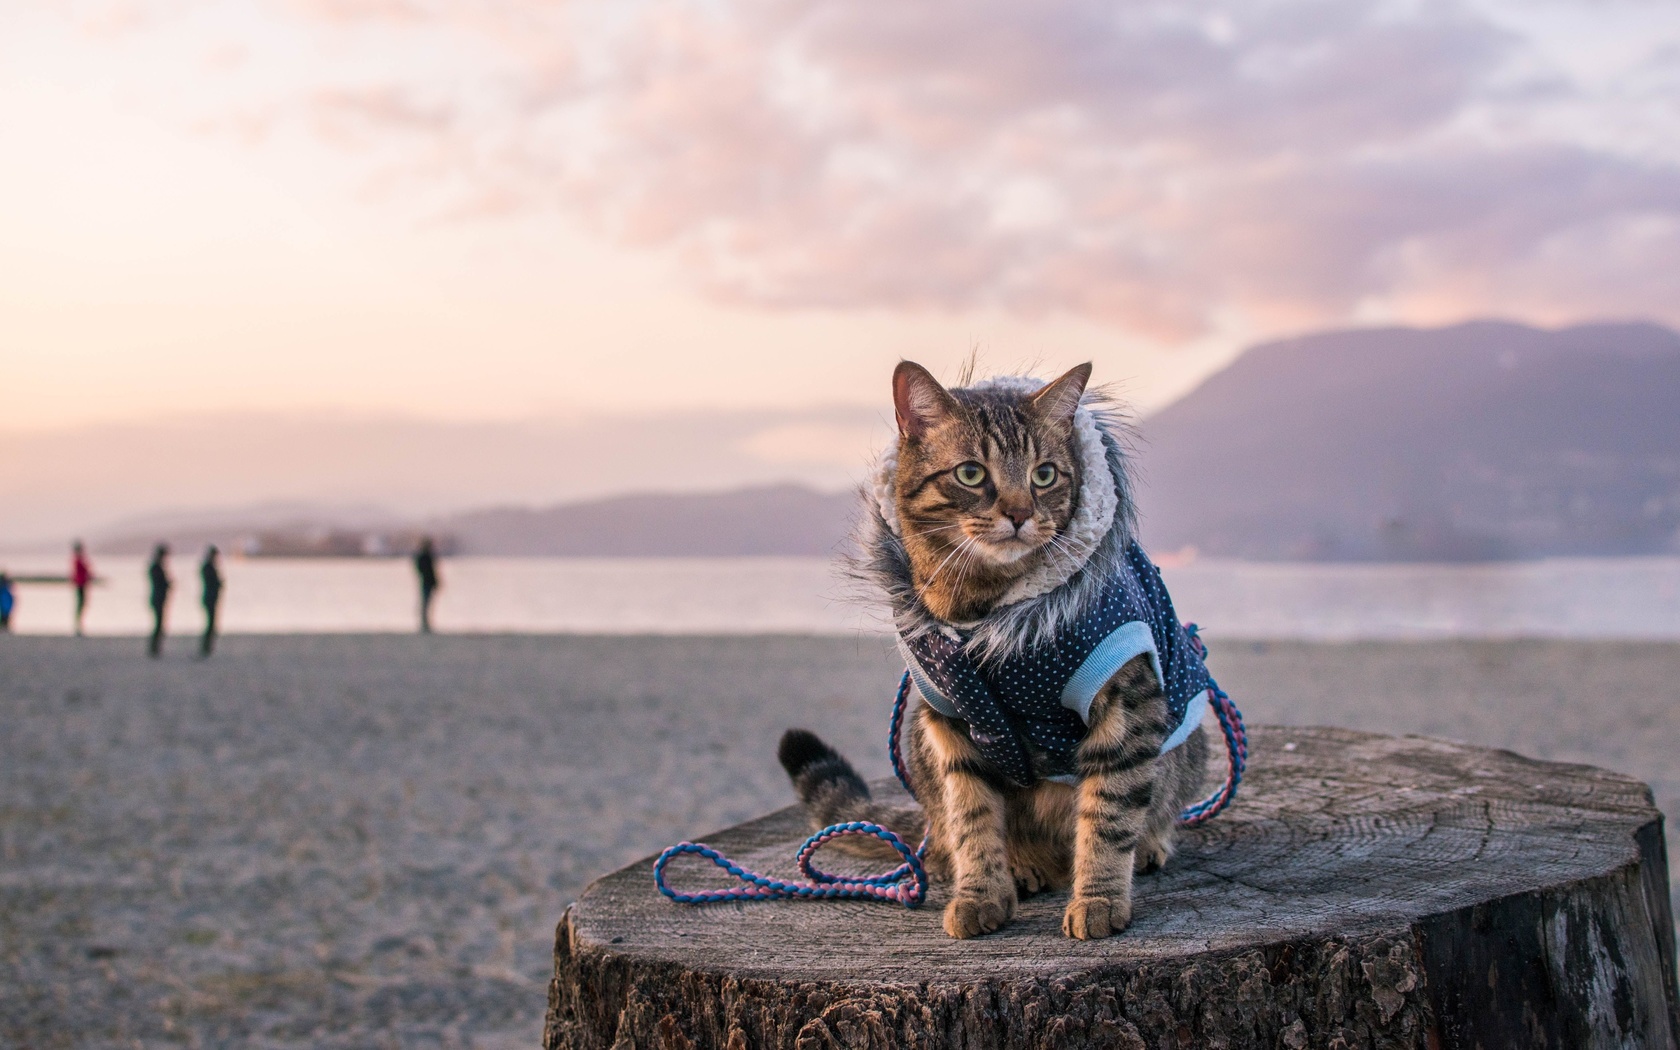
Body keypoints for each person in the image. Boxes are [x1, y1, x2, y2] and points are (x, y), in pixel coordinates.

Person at [146, 544, 171, 657]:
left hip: (159, 598)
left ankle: (155, 648)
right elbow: (159, 583)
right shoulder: (156, 567)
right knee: (158, 624)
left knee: (159, 624)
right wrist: (167, 584)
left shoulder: (157, 566)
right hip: (158, 599)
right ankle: (154, 649)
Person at [199, 545, 223, 657]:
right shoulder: (208, 567)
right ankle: (206, 648)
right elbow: (213, 582)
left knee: (211, 624)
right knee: (210, 624)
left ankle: (207, 647)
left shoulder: (209, 567)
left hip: (211, 598)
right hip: (210, 598)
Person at [414, 536, 439, 634]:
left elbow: (430, 571)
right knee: (426, 603)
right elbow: (429, 571)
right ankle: (424, 623)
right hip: (427, 582)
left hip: (427, 582)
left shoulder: (424, 556)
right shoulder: (425, 557)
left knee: (426, 603)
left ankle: (425, 623)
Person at [71, 541, 94, 636]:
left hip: (82, 584)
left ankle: (79, 625)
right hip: (80, 584)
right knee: (80, 605)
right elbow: (81, 572)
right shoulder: (77, 560)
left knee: (81, 605)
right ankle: (78, 626)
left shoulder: (79, 560)